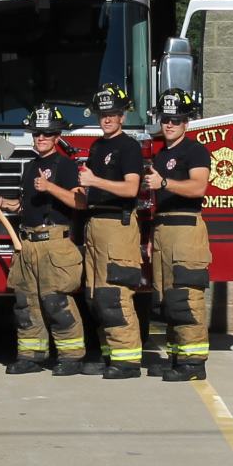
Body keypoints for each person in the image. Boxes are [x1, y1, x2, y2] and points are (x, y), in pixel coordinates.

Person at [0, 104, 89, 374]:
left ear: (57, 136)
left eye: (47, 134)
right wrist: (2, 203)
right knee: (26, 304)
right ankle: (31, 356)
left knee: (56, 302)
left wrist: (50, 187)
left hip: (54, 243)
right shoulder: (30, 167)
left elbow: (80, 202)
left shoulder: (67, 166)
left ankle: (71, 357)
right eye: (37, 133)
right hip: (27, 244)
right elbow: (25, 206)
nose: (41, 138)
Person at [78, 83, 146, 379]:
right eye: (102, 114)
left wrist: (94, 181)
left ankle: (127, 362)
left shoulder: (128, 147)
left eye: (112, 113)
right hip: (95, 224)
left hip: (118, 225)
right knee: (95, 295)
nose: (106, 118)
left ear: (122, 116)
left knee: (115, 294)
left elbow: (131, 188)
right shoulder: (97, 147)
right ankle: (111, 356)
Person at [145, 88, 213, 382]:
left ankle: (193, 363)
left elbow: (198, 187)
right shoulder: (162, 154)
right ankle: (176, 358)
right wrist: (152, 236)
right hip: (164, 229)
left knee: (186, 298)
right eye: (165, 119)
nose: (169, 124)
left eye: (175, 119)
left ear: (186, 122)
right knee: (168, 299)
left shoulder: (195, 151)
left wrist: (164, 183)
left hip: (186, 229)